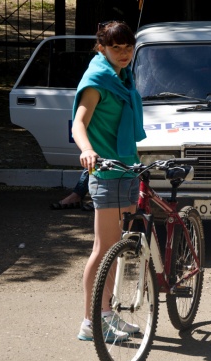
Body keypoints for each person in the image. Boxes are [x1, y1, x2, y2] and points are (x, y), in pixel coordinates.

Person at [72, 21, 147, 341]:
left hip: (127, 169)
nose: (124, 53)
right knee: (103, 249)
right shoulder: (97, 80)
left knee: (119, 248)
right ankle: (90, 322)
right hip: (106, 173)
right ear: (101, 47)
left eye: (128, 47)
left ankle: (106, 314)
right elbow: (78, 122)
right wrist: (87, 150)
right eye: (116, 47)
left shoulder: (122, 77)